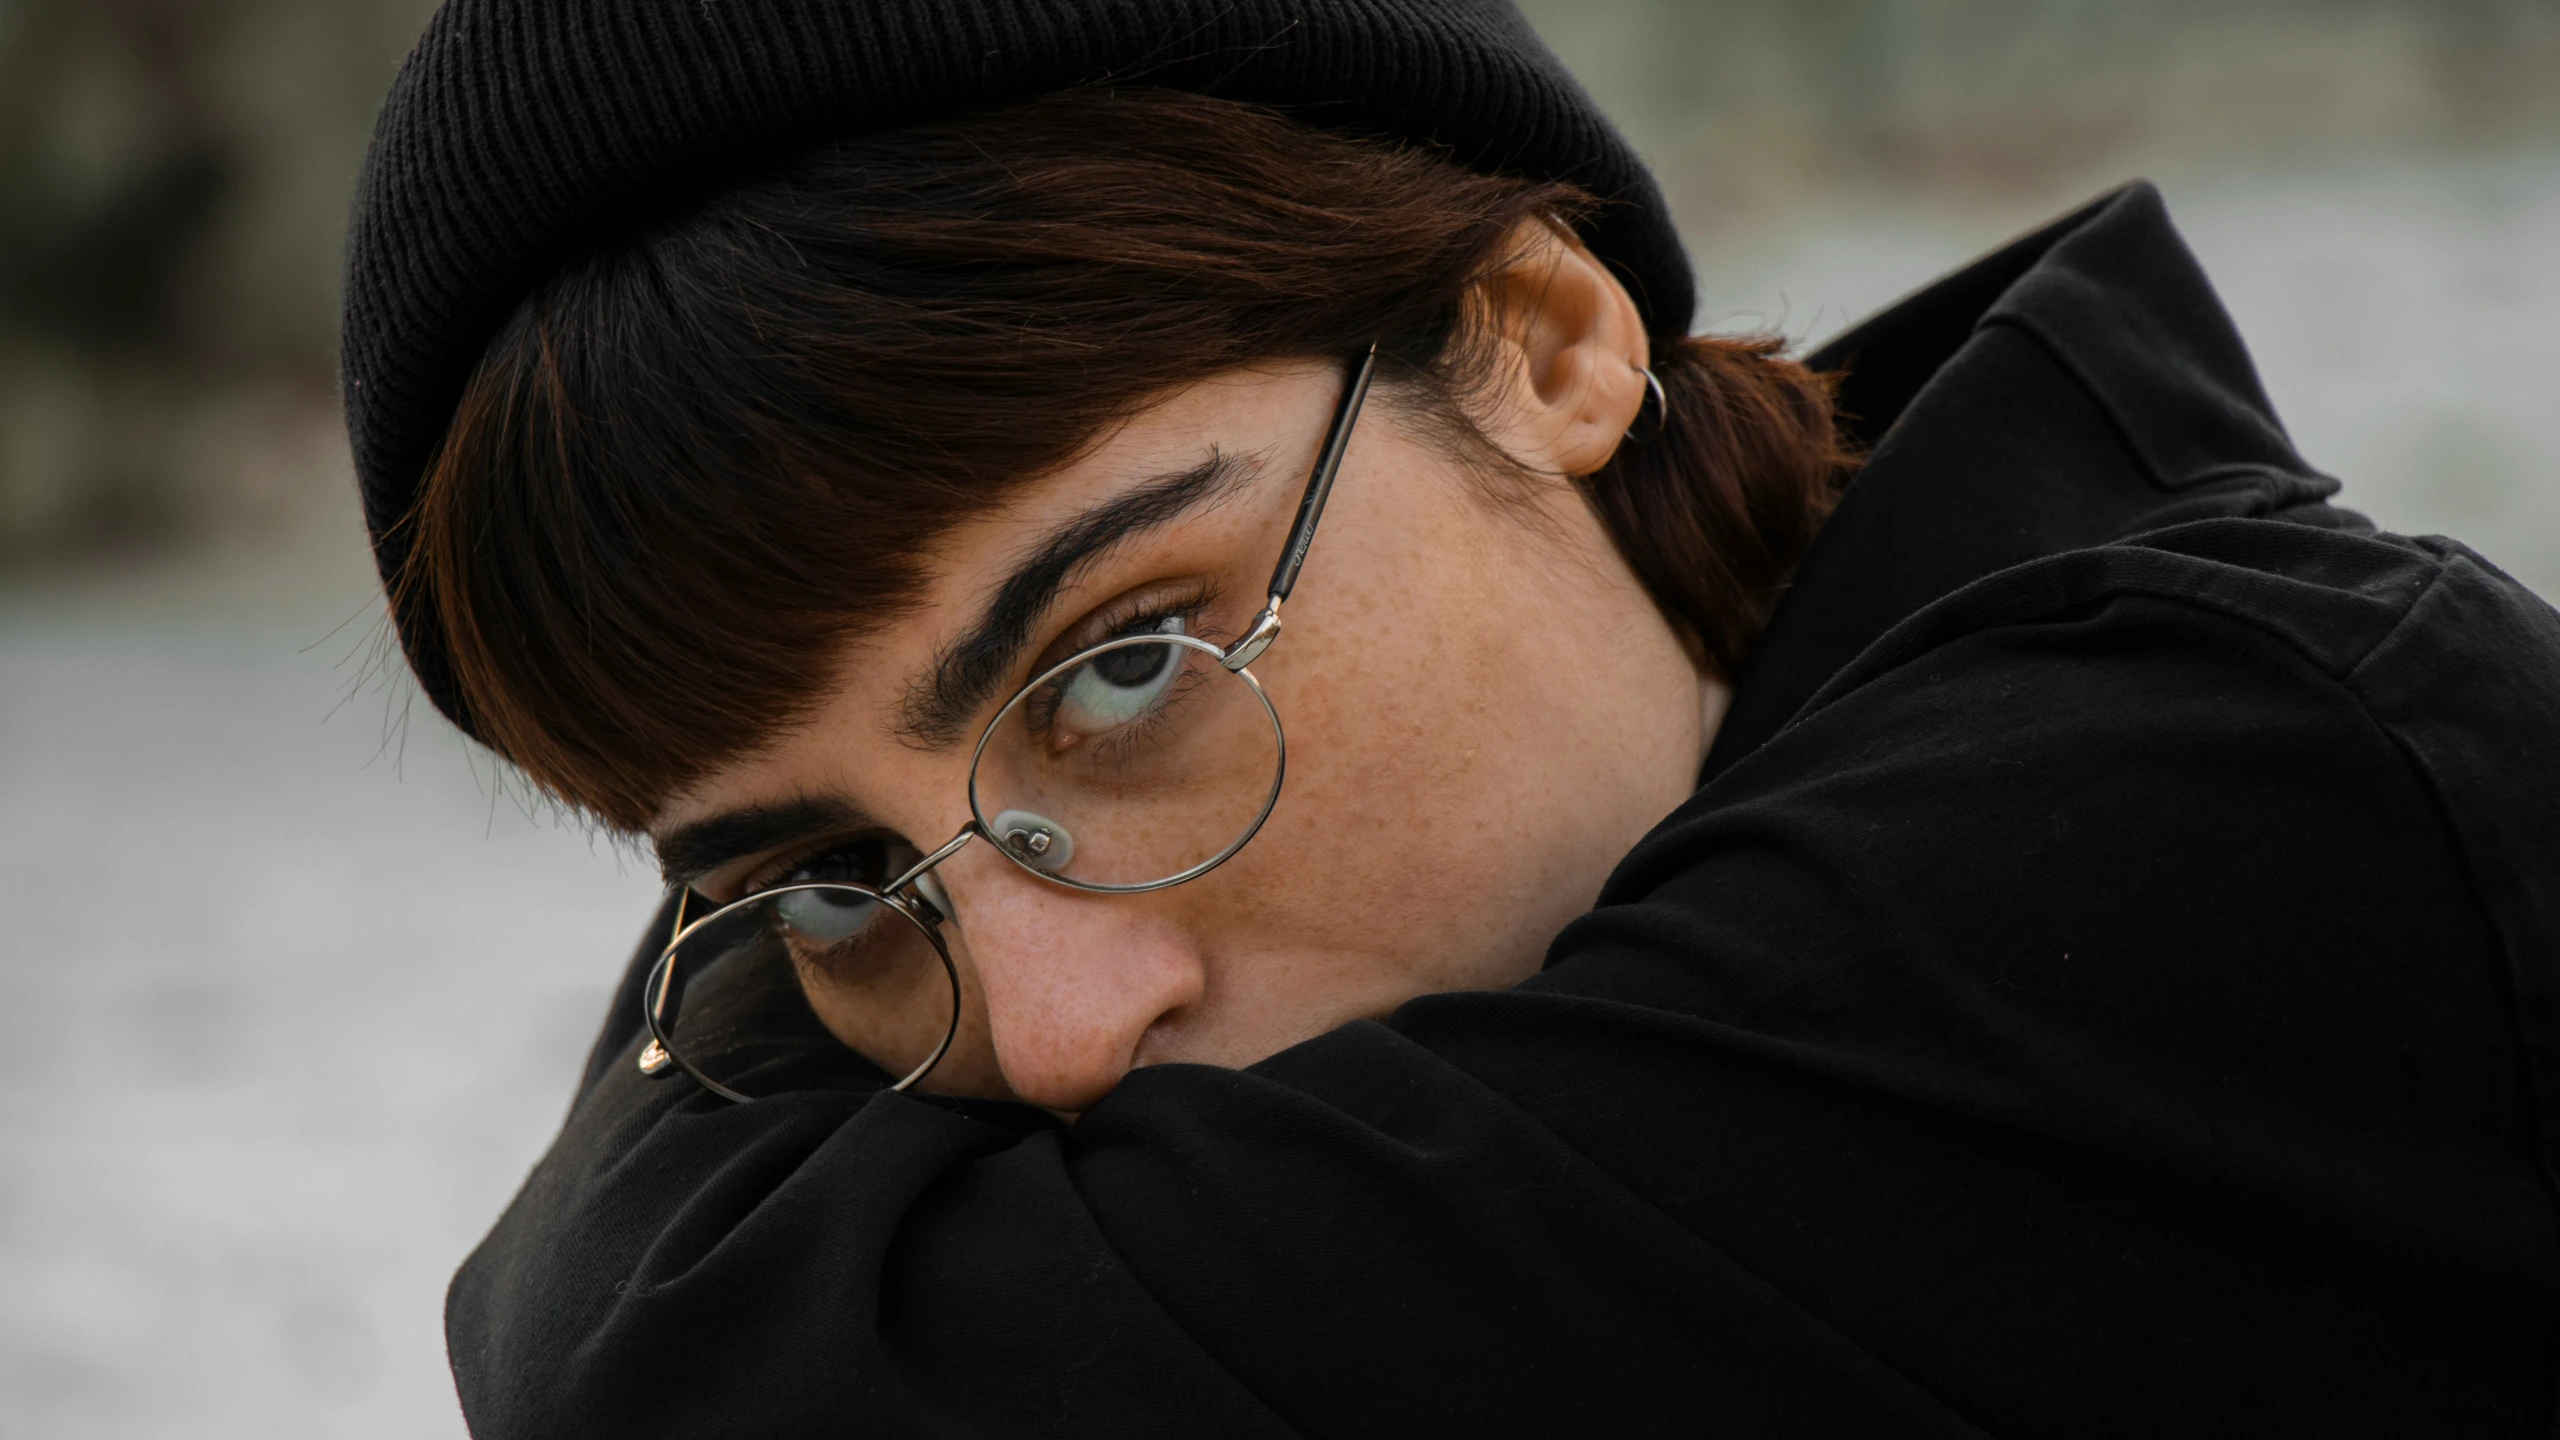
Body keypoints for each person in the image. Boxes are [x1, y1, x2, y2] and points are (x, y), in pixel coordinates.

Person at [343, 2, 2560, 1434]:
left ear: (1542, 338)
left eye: (1122, 667)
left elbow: (700, 1380)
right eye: (830, 885)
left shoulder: (2254, 810)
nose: (1050, 1035)